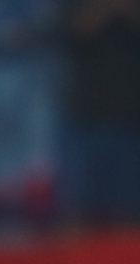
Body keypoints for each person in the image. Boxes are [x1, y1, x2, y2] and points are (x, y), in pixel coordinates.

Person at [58, 0, 140, 227]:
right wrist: (110, 7)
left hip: (131, 122)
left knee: (128, 212)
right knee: (79, 210)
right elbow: (76, 27)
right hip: (86, 119)